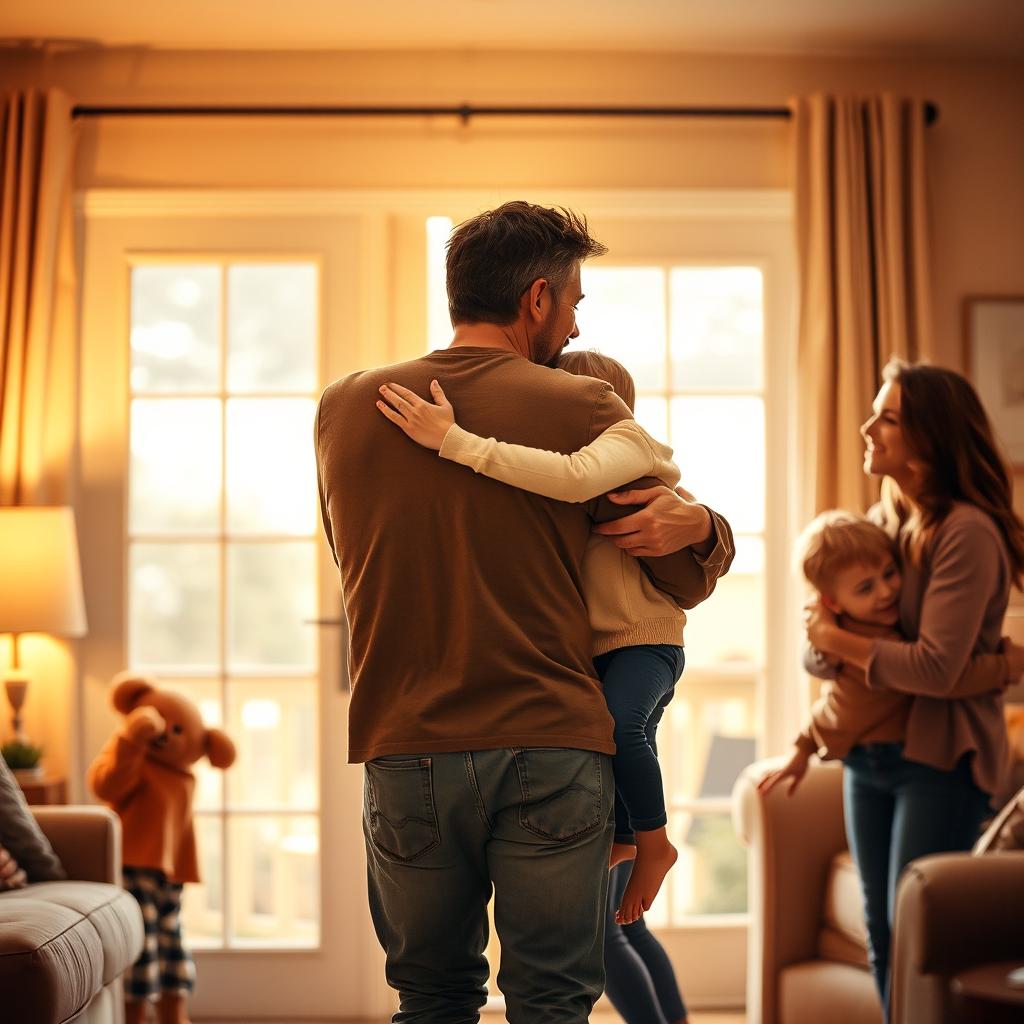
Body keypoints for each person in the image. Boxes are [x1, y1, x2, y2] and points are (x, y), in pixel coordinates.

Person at [314, 201, 733, 1023]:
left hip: (407, 742)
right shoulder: (579, 407)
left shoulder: (342, 407)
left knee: (430, 999)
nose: (575, 327)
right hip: (548, 743)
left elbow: (349, 553)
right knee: (550, 1003)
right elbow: (680, 577)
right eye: (574, 302)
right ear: (537, 299)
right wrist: (710, 528)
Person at [377, 350, 732, 927]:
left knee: (622, 726)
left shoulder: (627, 455)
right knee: (612, 735)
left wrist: (454, 440)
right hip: (600, 649)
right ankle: (624, 833)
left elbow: (583, 483)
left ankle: (655, 841)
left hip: (645, 638)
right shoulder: (558, 472)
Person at [802, 359, 1024, 1015]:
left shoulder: (969, 534)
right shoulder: (884, 521)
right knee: (882, 932)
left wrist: (839, 641)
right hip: (871, 756)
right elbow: (815, 639)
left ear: (927, 439)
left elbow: (935, 669)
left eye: (888, 417)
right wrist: (823, 643)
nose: (868, 426)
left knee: (915, 934)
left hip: (940, 762)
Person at [760, 510, 1014, 799]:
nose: (886, 592)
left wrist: (802, 749)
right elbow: (839, 707)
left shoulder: (893, 636)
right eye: (865, 588)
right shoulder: (849, 643)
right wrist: (1007, 665)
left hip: (909, 761)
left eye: (890, 573)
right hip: (860, 762)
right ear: (832, 602)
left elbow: (945, 675)